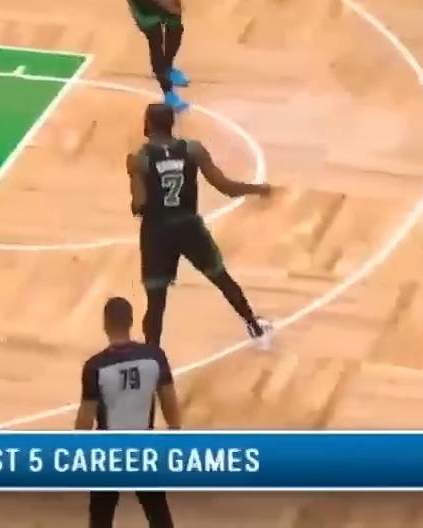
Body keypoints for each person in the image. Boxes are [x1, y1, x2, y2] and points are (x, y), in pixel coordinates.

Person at [131, 102, 275, 351]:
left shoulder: (140, 159)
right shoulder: (192, 149)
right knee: (221, 278)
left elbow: (138, 205)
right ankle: (255, 327)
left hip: (157, 232)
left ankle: (153, 357)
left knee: (156, 303)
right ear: (171, 123)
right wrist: (257, 189)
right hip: (189, 226)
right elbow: (226, 187)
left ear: (149, 124)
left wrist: (133, 177)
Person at [77, 296, 179, 528]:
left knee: (101, 519)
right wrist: (174, 436)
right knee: (159, 515)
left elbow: (85, 418)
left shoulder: (95, 366)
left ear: (105, 324)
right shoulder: (155, 357)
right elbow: (170, 402)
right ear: (131, 321)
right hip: (144, 450)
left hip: (108, 455)